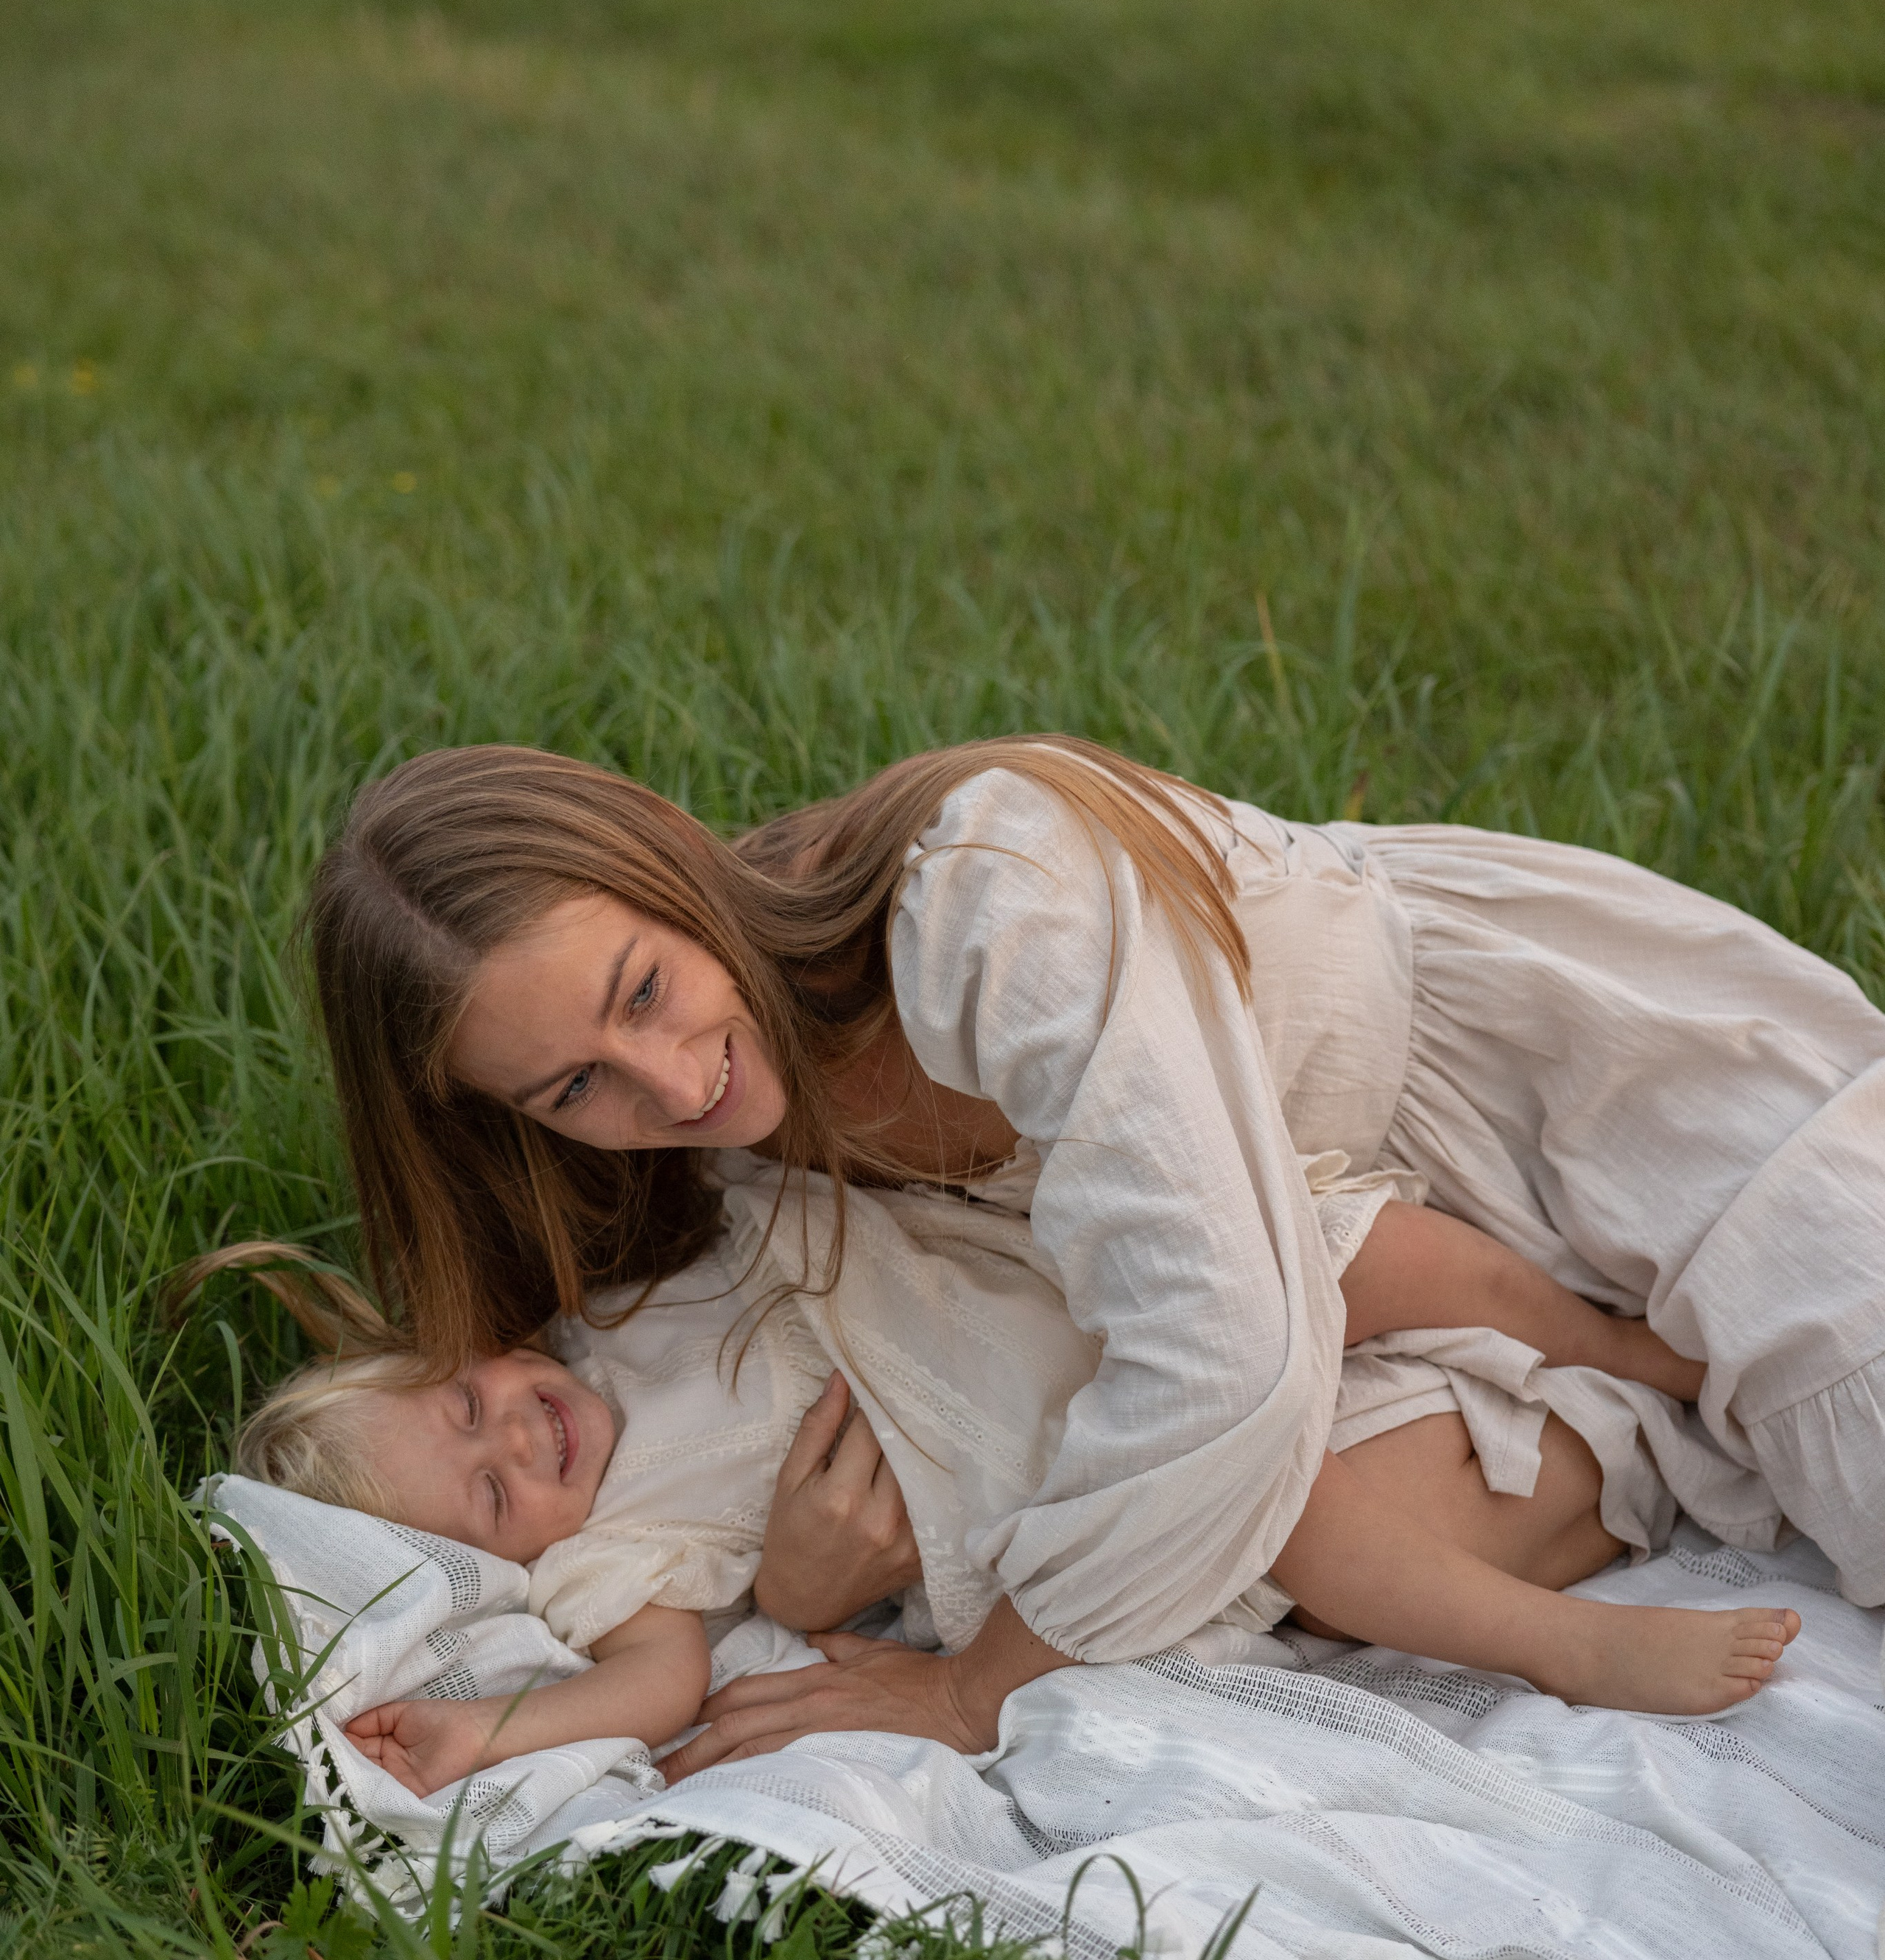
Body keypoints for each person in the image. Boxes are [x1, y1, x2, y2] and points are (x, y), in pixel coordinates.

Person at [304, 735, 1876, 1765]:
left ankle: (1660, 1361)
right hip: (1370, 1294)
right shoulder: (710, 1167)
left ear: (669, 870)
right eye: (573, 1083)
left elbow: (1229, 1371)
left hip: (1578, 1103)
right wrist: (798, 1583)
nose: (664, 1085)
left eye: (641, 988)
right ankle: (1637, 1431)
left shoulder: (986, 897)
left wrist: (974, 1683)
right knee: (1300, 1549)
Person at [188, 1139, 1799, 1809]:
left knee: (1316, 1243)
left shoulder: (606, 1313)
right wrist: (491, 1727)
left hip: (1098, 1308)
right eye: (485, 1493)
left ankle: (1616, 1336)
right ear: (513, 1558)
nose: (514, 1435)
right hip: (1142, 1455)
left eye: (463, 1398)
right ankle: (1571, 1644)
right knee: (1304, 1517)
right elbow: (659, 1670)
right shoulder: (615, 1553)